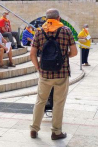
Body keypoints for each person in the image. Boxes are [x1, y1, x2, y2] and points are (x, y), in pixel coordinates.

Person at [29, 8, 77, 140]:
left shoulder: (39, 32)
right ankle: (56, 132)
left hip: (44, 73)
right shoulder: (66, 31)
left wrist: (38, 67)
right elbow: (74, 52)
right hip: (61, 73)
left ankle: (34, 129)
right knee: (58, 103)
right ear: (59, 18)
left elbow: (32, 54)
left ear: (46, 18)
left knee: (40, 101)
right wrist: (64, 56)